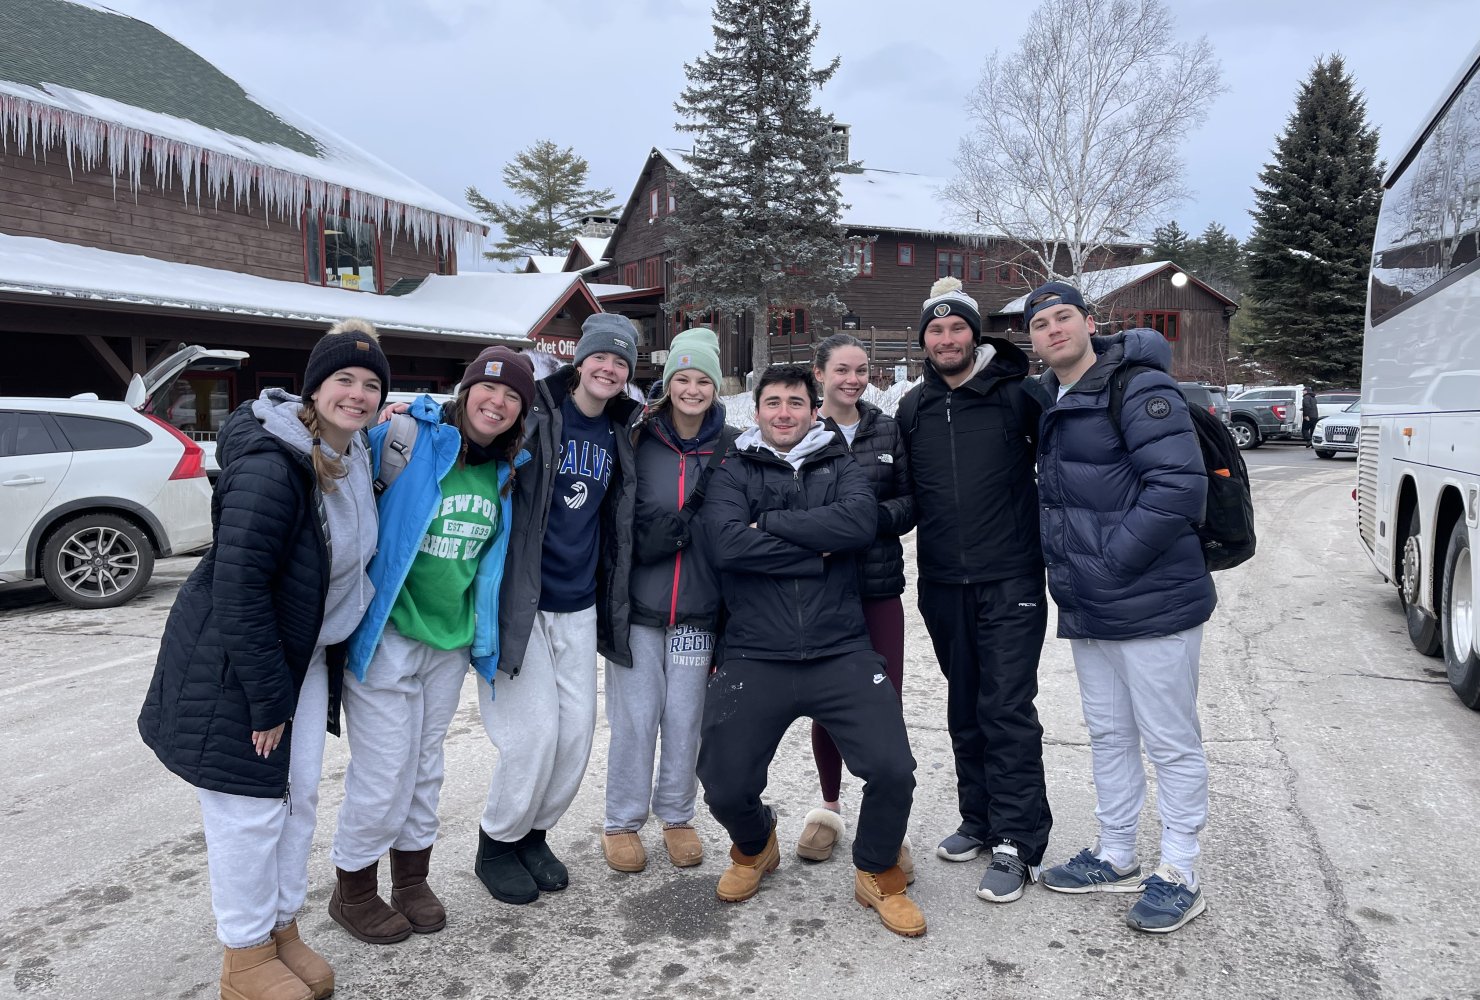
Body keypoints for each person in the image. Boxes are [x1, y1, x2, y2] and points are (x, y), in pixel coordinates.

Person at [138, 320, 388, 1000]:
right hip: (239, 662)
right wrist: (266, 695)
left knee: (296, 799)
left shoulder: (354, 452)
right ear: (314, 387)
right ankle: (243, 959)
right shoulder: (273, 466)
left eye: (371, 385)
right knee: (247, 808)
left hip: (302, 658)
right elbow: (239, 584)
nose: (358, 395)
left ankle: (281, 930)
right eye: (344, 379)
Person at [696, 364, 925, 938]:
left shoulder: (841, 463)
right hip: (755, 651)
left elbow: (857, 524)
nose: (783, 413)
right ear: (757, 409)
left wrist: (768, 523)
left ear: (813, 409)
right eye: (772, 402)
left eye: (795, 403)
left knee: (893, 769)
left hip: (838, 647)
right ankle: (755, 845)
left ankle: (876, 869)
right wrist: (810, 553)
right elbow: (724, 544)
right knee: (723, 783)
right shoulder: (732, 471)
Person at [1025, 281, 1216, 934]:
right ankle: (1116, 853)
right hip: (1090, 607)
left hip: (1151, 602)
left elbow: (1179, 488)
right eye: (1040, 322)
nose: (1053, 329)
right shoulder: (1054, 398)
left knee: (1170, 739)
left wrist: (1111, 563)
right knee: (1109, 733)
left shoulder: (1137, 387)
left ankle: (1180, 870)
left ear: (1087, 323)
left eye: (1063, 317)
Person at [327, 347, 534, 944]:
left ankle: (411, 878)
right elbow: (336, 436)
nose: (496, 402)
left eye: (512, 395)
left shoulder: (505, 469)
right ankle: (355, 889)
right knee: (383, 769)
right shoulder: (407, 438)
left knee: (424, 768)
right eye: (486, 389)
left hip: (450, 642)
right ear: (466, 391)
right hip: (390, 633)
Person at [895, 276, 1052, 904]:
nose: (947, 338)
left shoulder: (1020, 397)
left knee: (1006, 707)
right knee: (964, 703)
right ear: (925, 341)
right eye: (936, 329)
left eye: (957, 326)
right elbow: (900, 494)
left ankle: (1018, 838)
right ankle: (980, 818)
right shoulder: (914, 407)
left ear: (974, 333)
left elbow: (1070, 468)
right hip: (941, 581)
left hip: (1010, 576)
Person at [475, 313, 640, 904]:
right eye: (601, 357)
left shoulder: (624, 428)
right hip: (523, 601)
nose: (609, 368)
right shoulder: (538, 410)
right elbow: (477, 422)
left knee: (575, 735)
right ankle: (496, 840)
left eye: (621, 362)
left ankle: (533, 835)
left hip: (580, 603)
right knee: (534, 733)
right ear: (581, 360)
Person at [601, 328, 738, 873]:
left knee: (686, 717)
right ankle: (622, 820)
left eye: (702, 379)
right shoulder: (635, 439)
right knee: (635, 718)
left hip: (699, 611)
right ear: (667, 383)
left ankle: (677, 815)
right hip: (638, 607)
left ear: (715, 386)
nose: (692, 388)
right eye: (682, 378)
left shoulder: (732, 447)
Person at [795, 334, 915, 865]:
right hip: (822, 591)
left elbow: (910, 500)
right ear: (819, 373)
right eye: (841, 369)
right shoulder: (800, 429)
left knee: (885, 702)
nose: (853, 379)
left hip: (879, 586)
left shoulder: (885, 427)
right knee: (831, 701)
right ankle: (829, 806)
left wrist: (868, 522)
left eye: (861, 370)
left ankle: (885, 820)